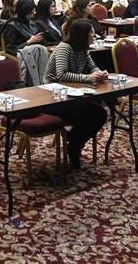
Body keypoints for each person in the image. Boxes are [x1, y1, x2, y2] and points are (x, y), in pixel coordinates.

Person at [42, 19, 107, 169]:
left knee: (99, 113)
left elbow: (92, 67)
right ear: (82, 35)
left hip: (72, 94)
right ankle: (74, 145)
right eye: (91, 33)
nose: (94, 35)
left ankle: (74, 142)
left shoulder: (83, 49)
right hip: (53, 97)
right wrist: (88, 78)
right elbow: (61, 75)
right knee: (91, 114)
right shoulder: (64, 48)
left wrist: (99, 73)